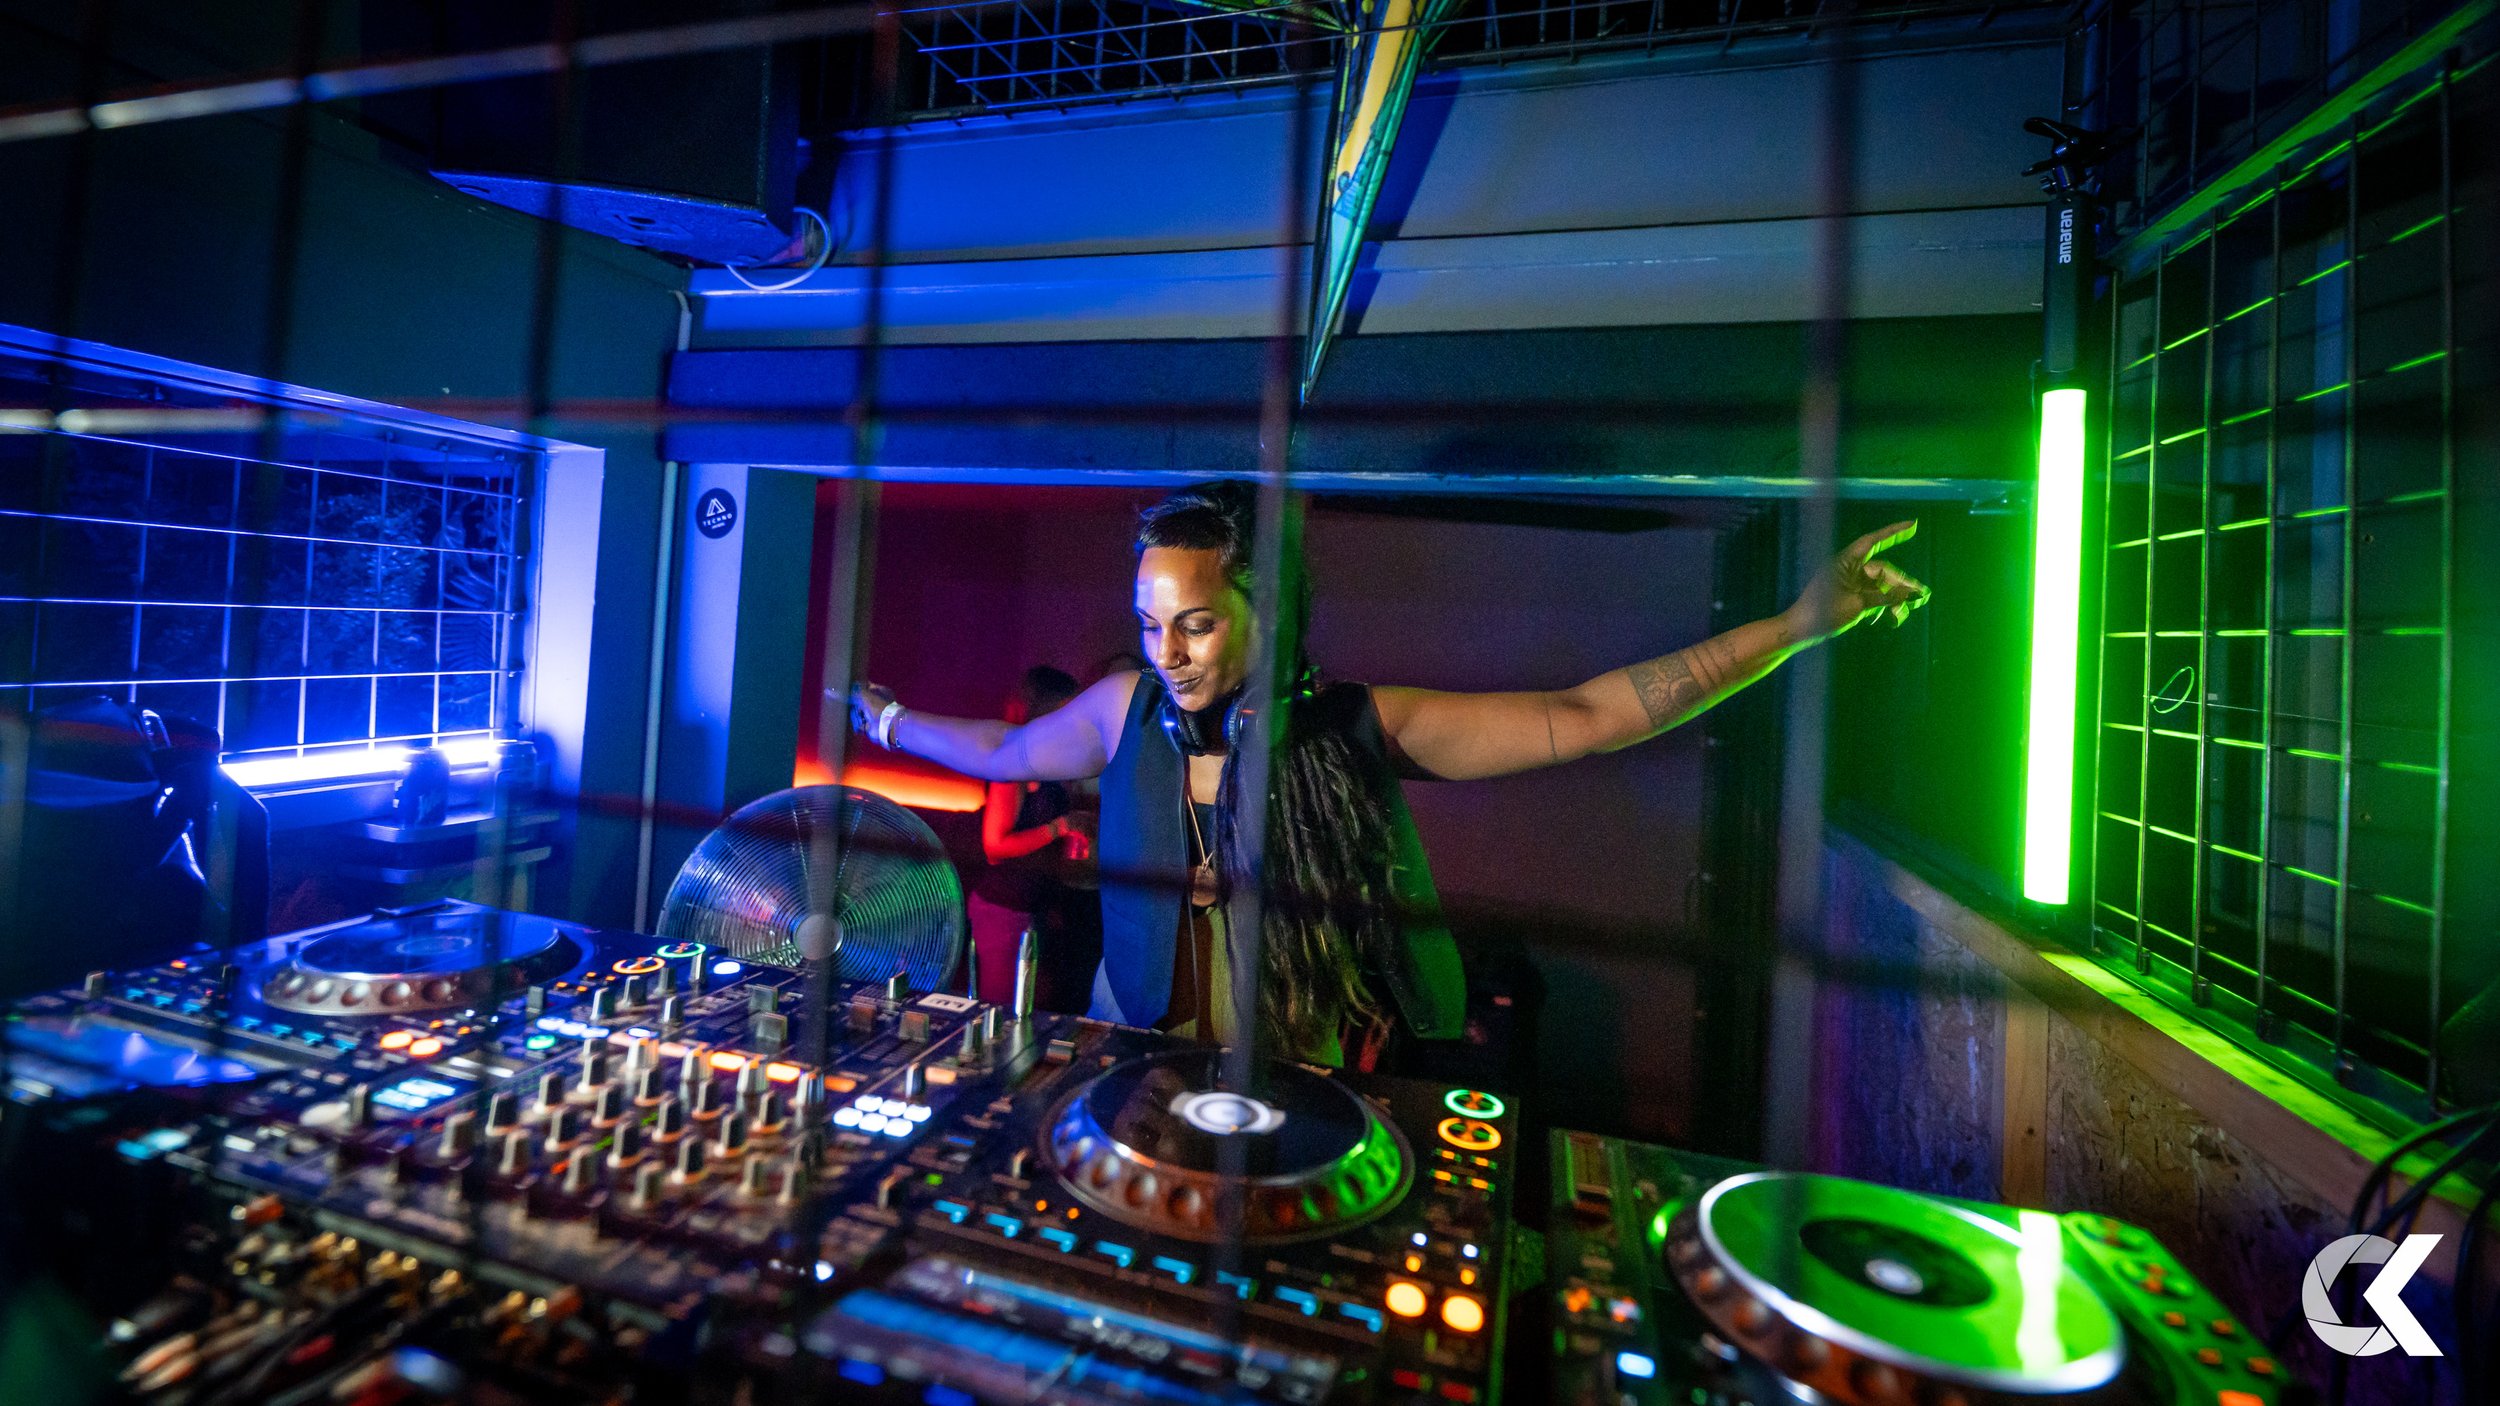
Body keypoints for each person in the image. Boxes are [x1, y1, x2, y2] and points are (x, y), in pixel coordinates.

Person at [846, 482, 1930, 1067]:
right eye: (1147, 625)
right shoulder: (1122, 708)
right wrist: (887, 720)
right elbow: (1001, 753)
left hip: (1287, 1072)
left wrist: (1796, 625)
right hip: (1122, 1047)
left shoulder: (1357, 724)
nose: (1166, 653)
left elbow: (1587, 716)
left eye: (1196, 624)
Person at [966, 666, 1099, 1010]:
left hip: (1030, 907)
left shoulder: (1042, 762)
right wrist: (1058, 827)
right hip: (1003, 908)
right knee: (1005, 1012)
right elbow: (995, 847)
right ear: (1044, 711)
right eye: (1065, 711)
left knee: (1030, 1008)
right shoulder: (1013, 765)